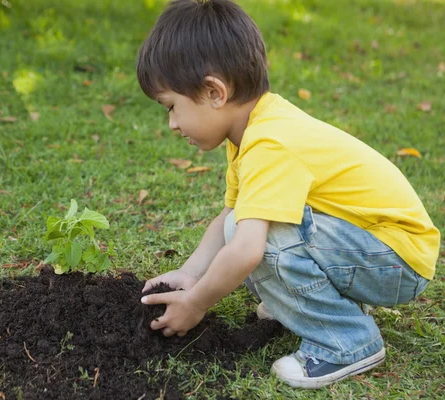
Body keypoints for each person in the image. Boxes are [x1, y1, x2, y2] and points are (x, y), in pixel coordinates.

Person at [136, 0, 441, 389]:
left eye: (172, 107)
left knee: (261, 243)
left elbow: (246, 249)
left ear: (214, 92)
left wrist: (196, 305)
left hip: (396, 258)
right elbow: (229, 216)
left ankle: (347, 342)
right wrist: (190, 275)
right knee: (241, 224)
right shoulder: (252, 129)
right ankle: (315, 304)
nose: (172, 124)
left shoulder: (270, 142)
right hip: (373, 246)